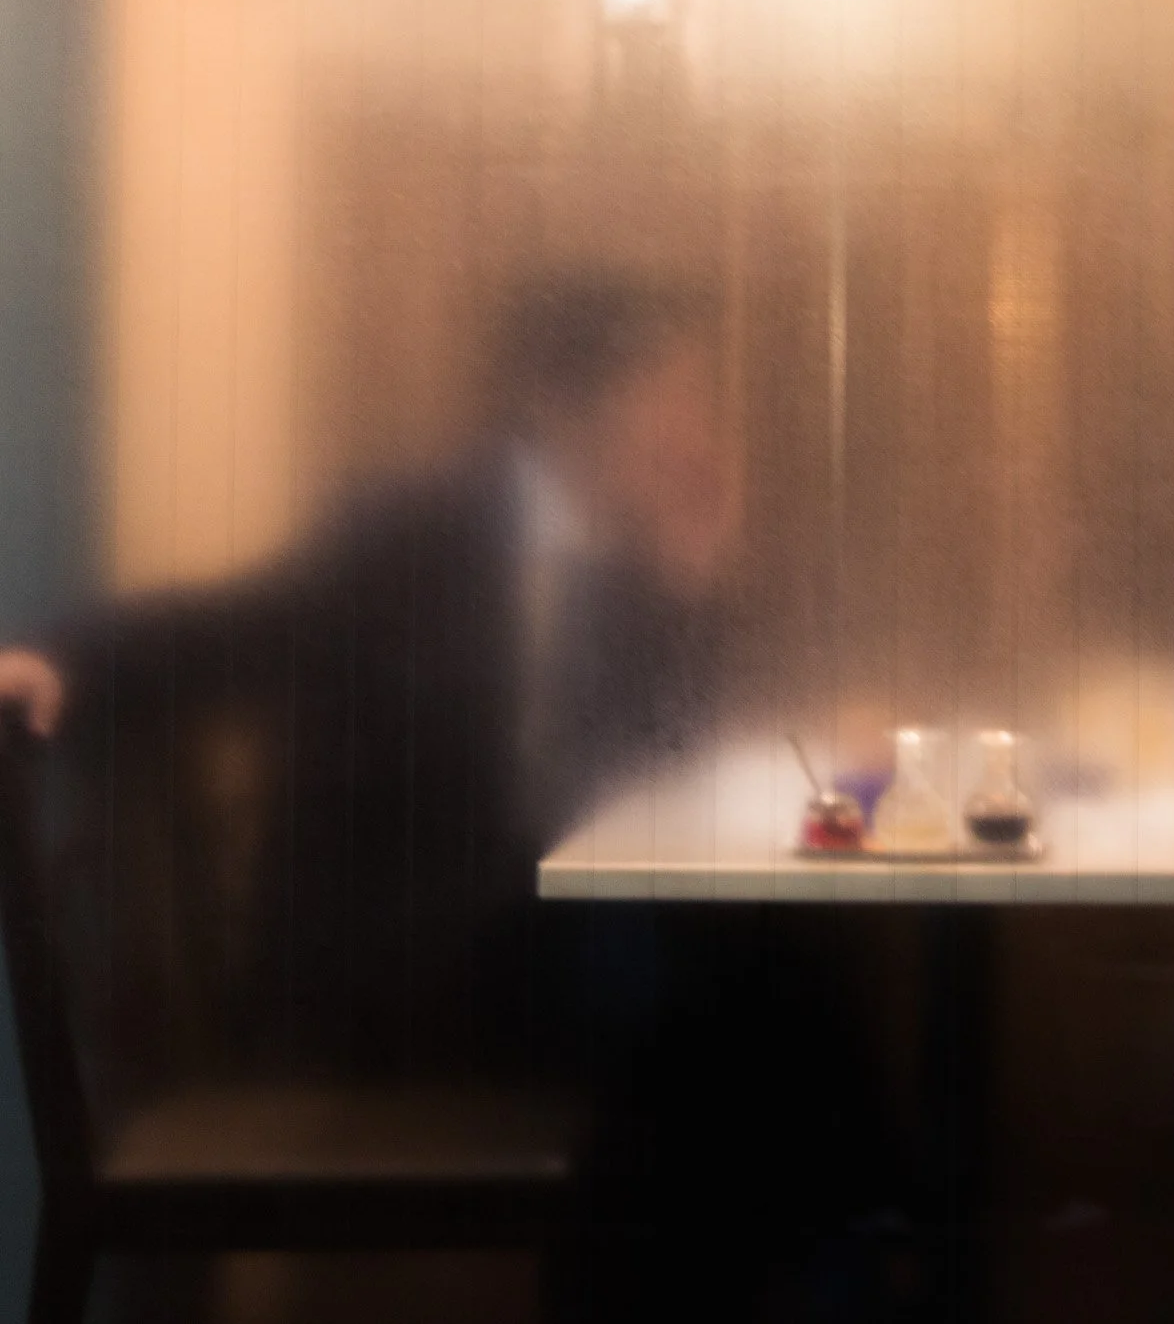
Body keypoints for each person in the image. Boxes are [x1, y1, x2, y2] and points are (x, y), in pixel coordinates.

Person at [0, 270, 907, 1316]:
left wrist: (693, 583)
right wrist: (62, 659)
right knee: (735, 995)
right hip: (400, 951)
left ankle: (839, 1253)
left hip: (539, 933)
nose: (697, 422)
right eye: (676, 390)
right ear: (573, 404)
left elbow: (660, 762)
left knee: (762, 969)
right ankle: (852, 1255)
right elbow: (243, 625)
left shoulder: (631, 550)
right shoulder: (423, 527)